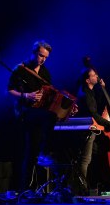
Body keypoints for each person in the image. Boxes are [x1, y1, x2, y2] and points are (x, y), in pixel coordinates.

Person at [7, 40, 77, 192]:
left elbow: (51, 97)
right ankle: (45, 152)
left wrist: (66, 109)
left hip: (40, 114)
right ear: (33, 53)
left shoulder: (45, 73)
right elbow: (9, 91)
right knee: (49, 119)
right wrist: (26, 95)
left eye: (46, 57)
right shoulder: (20, 69)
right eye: (40, 55)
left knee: (32, 150)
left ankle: (27, 189)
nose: (43, 59)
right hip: (25, 112)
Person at [76, 62, 110, 194]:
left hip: (92, 128)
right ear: (87, 79)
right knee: (85, 159)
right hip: (87, 129)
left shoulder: (90, 92)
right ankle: (81, 188)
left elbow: (98, 105)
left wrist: (102, 89)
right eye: (94, 75)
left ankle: (92, 185)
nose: (97, 77)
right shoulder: (85, 93)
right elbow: (93, 114)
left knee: (93, 156)